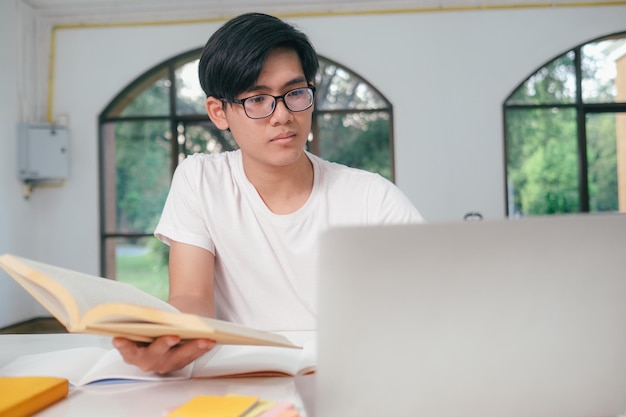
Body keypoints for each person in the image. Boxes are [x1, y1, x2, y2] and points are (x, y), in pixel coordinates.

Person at [113, 12, 424, 374]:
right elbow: (191, 297)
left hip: (346, 377)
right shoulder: (200, 180)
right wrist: (168, 337)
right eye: (258, 99)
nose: (283, 116)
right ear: (218, 112)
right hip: (236, 380)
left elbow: (423, 301)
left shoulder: (372, 197)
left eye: (295, 93)